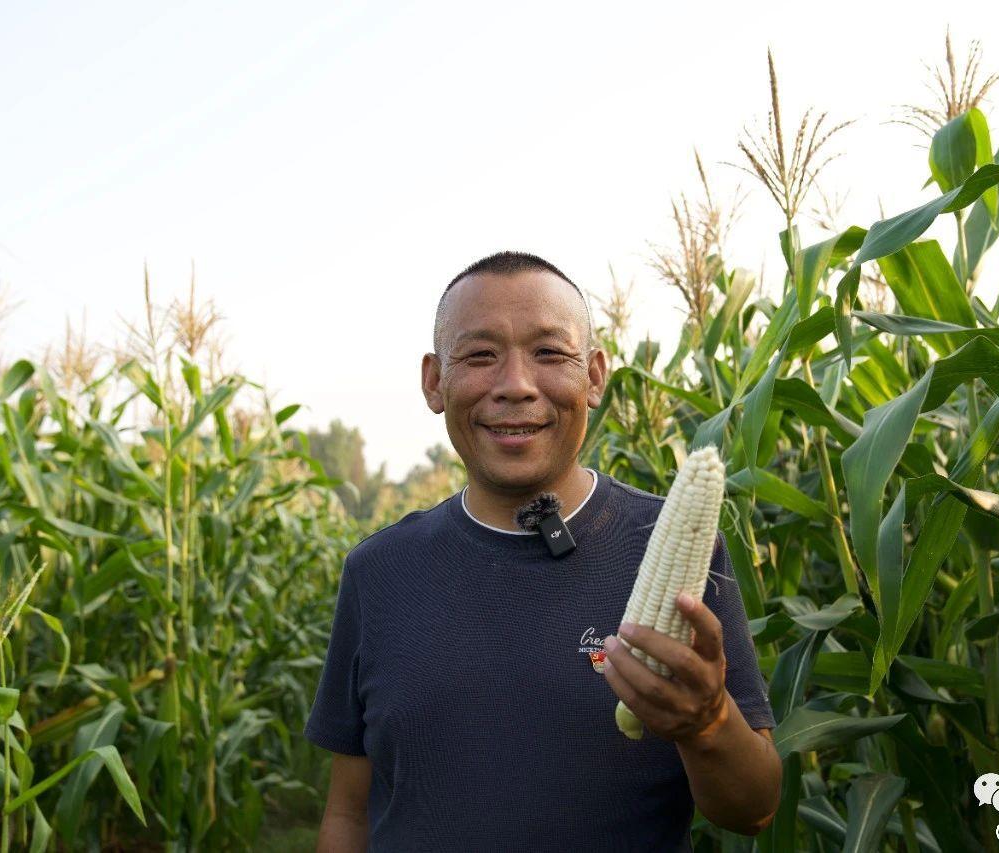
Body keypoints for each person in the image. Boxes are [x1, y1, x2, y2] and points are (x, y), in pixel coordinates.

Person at [304, 250, 782, 851]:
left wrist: (708, 723)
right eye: (480, 355)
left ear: (595, 377)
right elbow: (348, 814)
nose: (516, 386)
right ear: (434, 381)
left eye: (550, 354)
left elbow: (755, 810)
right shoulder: (379, 573)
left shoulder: (678, 549)